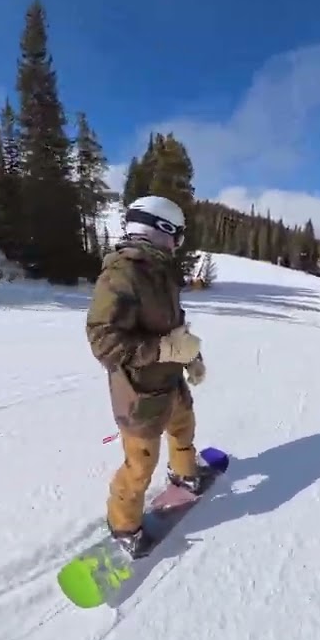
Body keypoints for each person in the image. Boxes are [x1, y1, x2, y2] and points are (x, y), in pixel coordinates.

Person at [85, 195, 209, 557]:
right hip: (139, 393)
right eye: (177, 236)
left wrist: (191, 356)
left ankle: (185, 473)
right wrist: (163, 351)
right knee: (140, 464)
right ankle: (124, 524)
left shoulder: (160, 271)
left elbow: (174, 325)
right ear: (162, 229)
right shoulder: (121, 275)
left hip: (170, 382)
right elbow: (103, 341)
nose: (178, 244)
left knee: (184, 426)